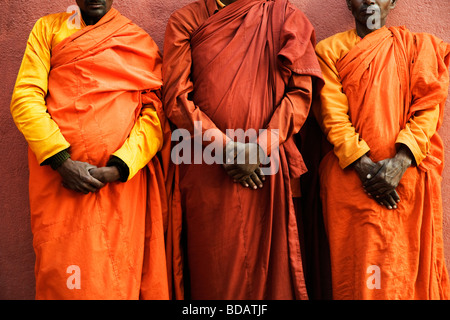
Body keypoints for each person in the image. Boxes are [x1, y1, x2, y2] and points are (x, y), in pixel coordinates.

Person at [10, 0, 172, 299]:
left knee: (118, 275)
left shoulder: (136, 40)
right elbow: (25, 99)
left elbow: (156, 113)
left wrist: (121, 166)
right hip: (60, 183)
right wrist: (61, 161)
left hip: (121, 187)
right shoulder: (48, 29)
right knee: (66, 280)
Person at [162, 0, 323, 299]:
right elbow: (176, 98)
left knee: (271, 269)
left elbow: (300, 94)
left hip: (267, 165)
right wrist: (226, 150)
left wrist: (261, 147)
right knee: (215, 268)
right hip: (205, 164)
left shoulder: (284, 16)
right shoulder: (186, 21)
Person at [314, 0, 450, 299]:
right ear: (349, 3)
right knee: (361, 274)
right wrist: (364, 167)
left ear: (393, 2)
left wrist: (400, 162)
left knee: (403, 269)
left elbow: (428, 108)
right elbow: (331, 115)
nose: (370, 0)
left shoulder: (417, 47)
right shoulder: (329, 50)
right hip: (350, 179)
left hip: (407, 177)